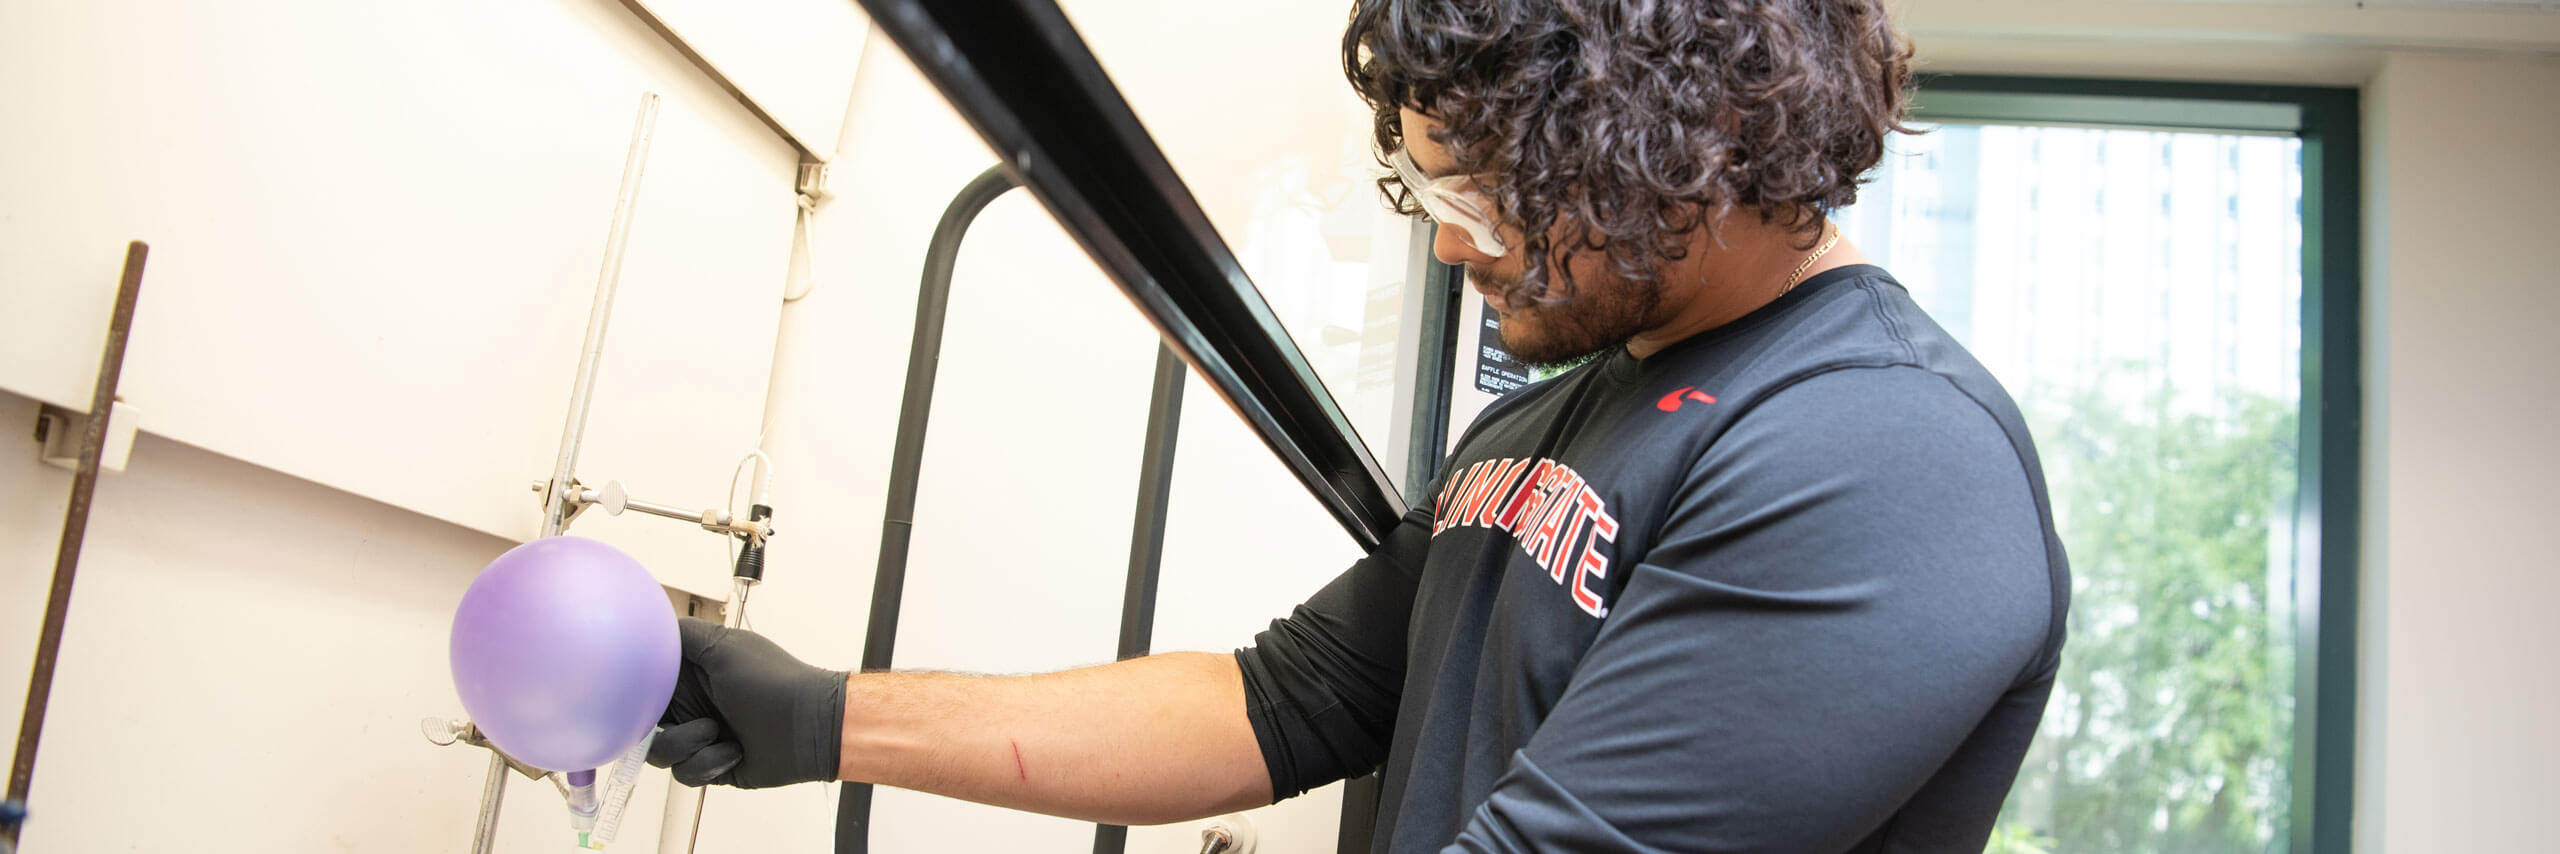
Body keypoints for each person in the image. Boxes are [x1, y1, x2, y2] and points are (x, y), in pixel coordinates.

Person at [647, 0, 2069, 850]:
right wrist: (829, 715)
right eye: (1436, 204)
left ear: (1676, 160)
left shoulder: (1889, 460)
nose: (1456, 252)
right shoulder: (1565, 409)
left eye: (1486, 203)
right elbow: (1281, 698)